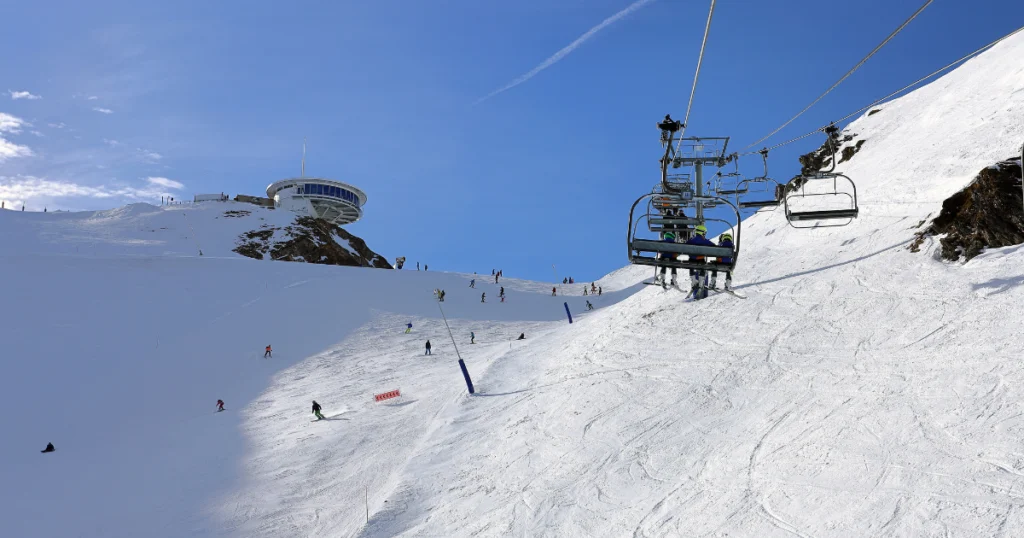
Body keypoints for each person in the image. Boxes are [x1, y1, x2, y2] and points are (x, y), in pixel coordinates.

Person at [686, 224, 716, 299]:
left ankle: (693, 280)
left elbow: (685, 246)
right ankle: (701, 283)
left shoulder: (691, 240)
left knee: (691, 264)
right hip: (700, 260)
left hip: (692, 261)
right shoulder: (704, 241)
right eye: (704, 233)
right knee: (703, 266)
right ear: (702, 233)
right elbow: (714, 246)